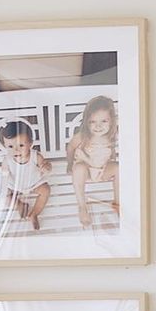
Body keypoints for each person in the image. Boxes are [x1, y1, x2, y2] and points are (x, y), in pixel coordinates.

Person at [66, 95, 119, 228]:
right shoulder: (83, 137)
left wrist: (112, 158)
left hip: (103, 169)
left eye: (104, 121)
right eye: (92, 122)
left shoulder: (112, 135)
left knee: (119, 168)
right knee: (78, 168)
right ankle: (82, 206)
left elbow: (111, 149)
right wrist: (69, 163)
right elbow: (70, 147)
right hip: (87, 172)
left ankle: (117, 202)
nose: (98, 126)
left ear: (112, 121)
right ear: (86, 122)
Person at [0, 119, 51, 231]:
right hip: (15, 185)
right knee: (4, 196)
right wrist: (5, 186)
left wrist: (46, 167)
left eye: (21, 145)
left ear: (30, 144)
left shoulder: (35, 156)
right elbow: (4, 176)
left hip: (33, 183)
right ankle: (20, 205)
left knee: (46, 190)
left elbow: (45, 165)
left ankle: (34, 213)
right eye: (10, 146)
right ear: (5, 145)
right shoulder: (7, 160)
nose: (16, 150)